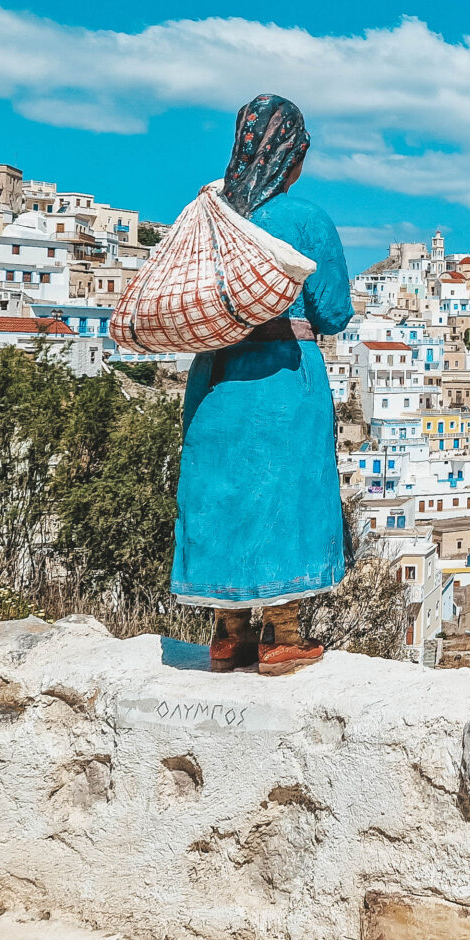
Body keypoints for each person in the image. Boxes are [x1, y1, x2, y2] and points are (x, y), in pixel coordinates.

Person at [170, 95, 353, 674]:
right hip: (283, 374)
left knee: (220, 489)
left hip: (215, 372)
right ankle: (283, 636)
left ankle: (227, 635)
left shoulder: (208, 213)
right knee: (287, 488)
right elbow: (334, 312)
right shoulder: (305, 219)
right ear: (293, 156)